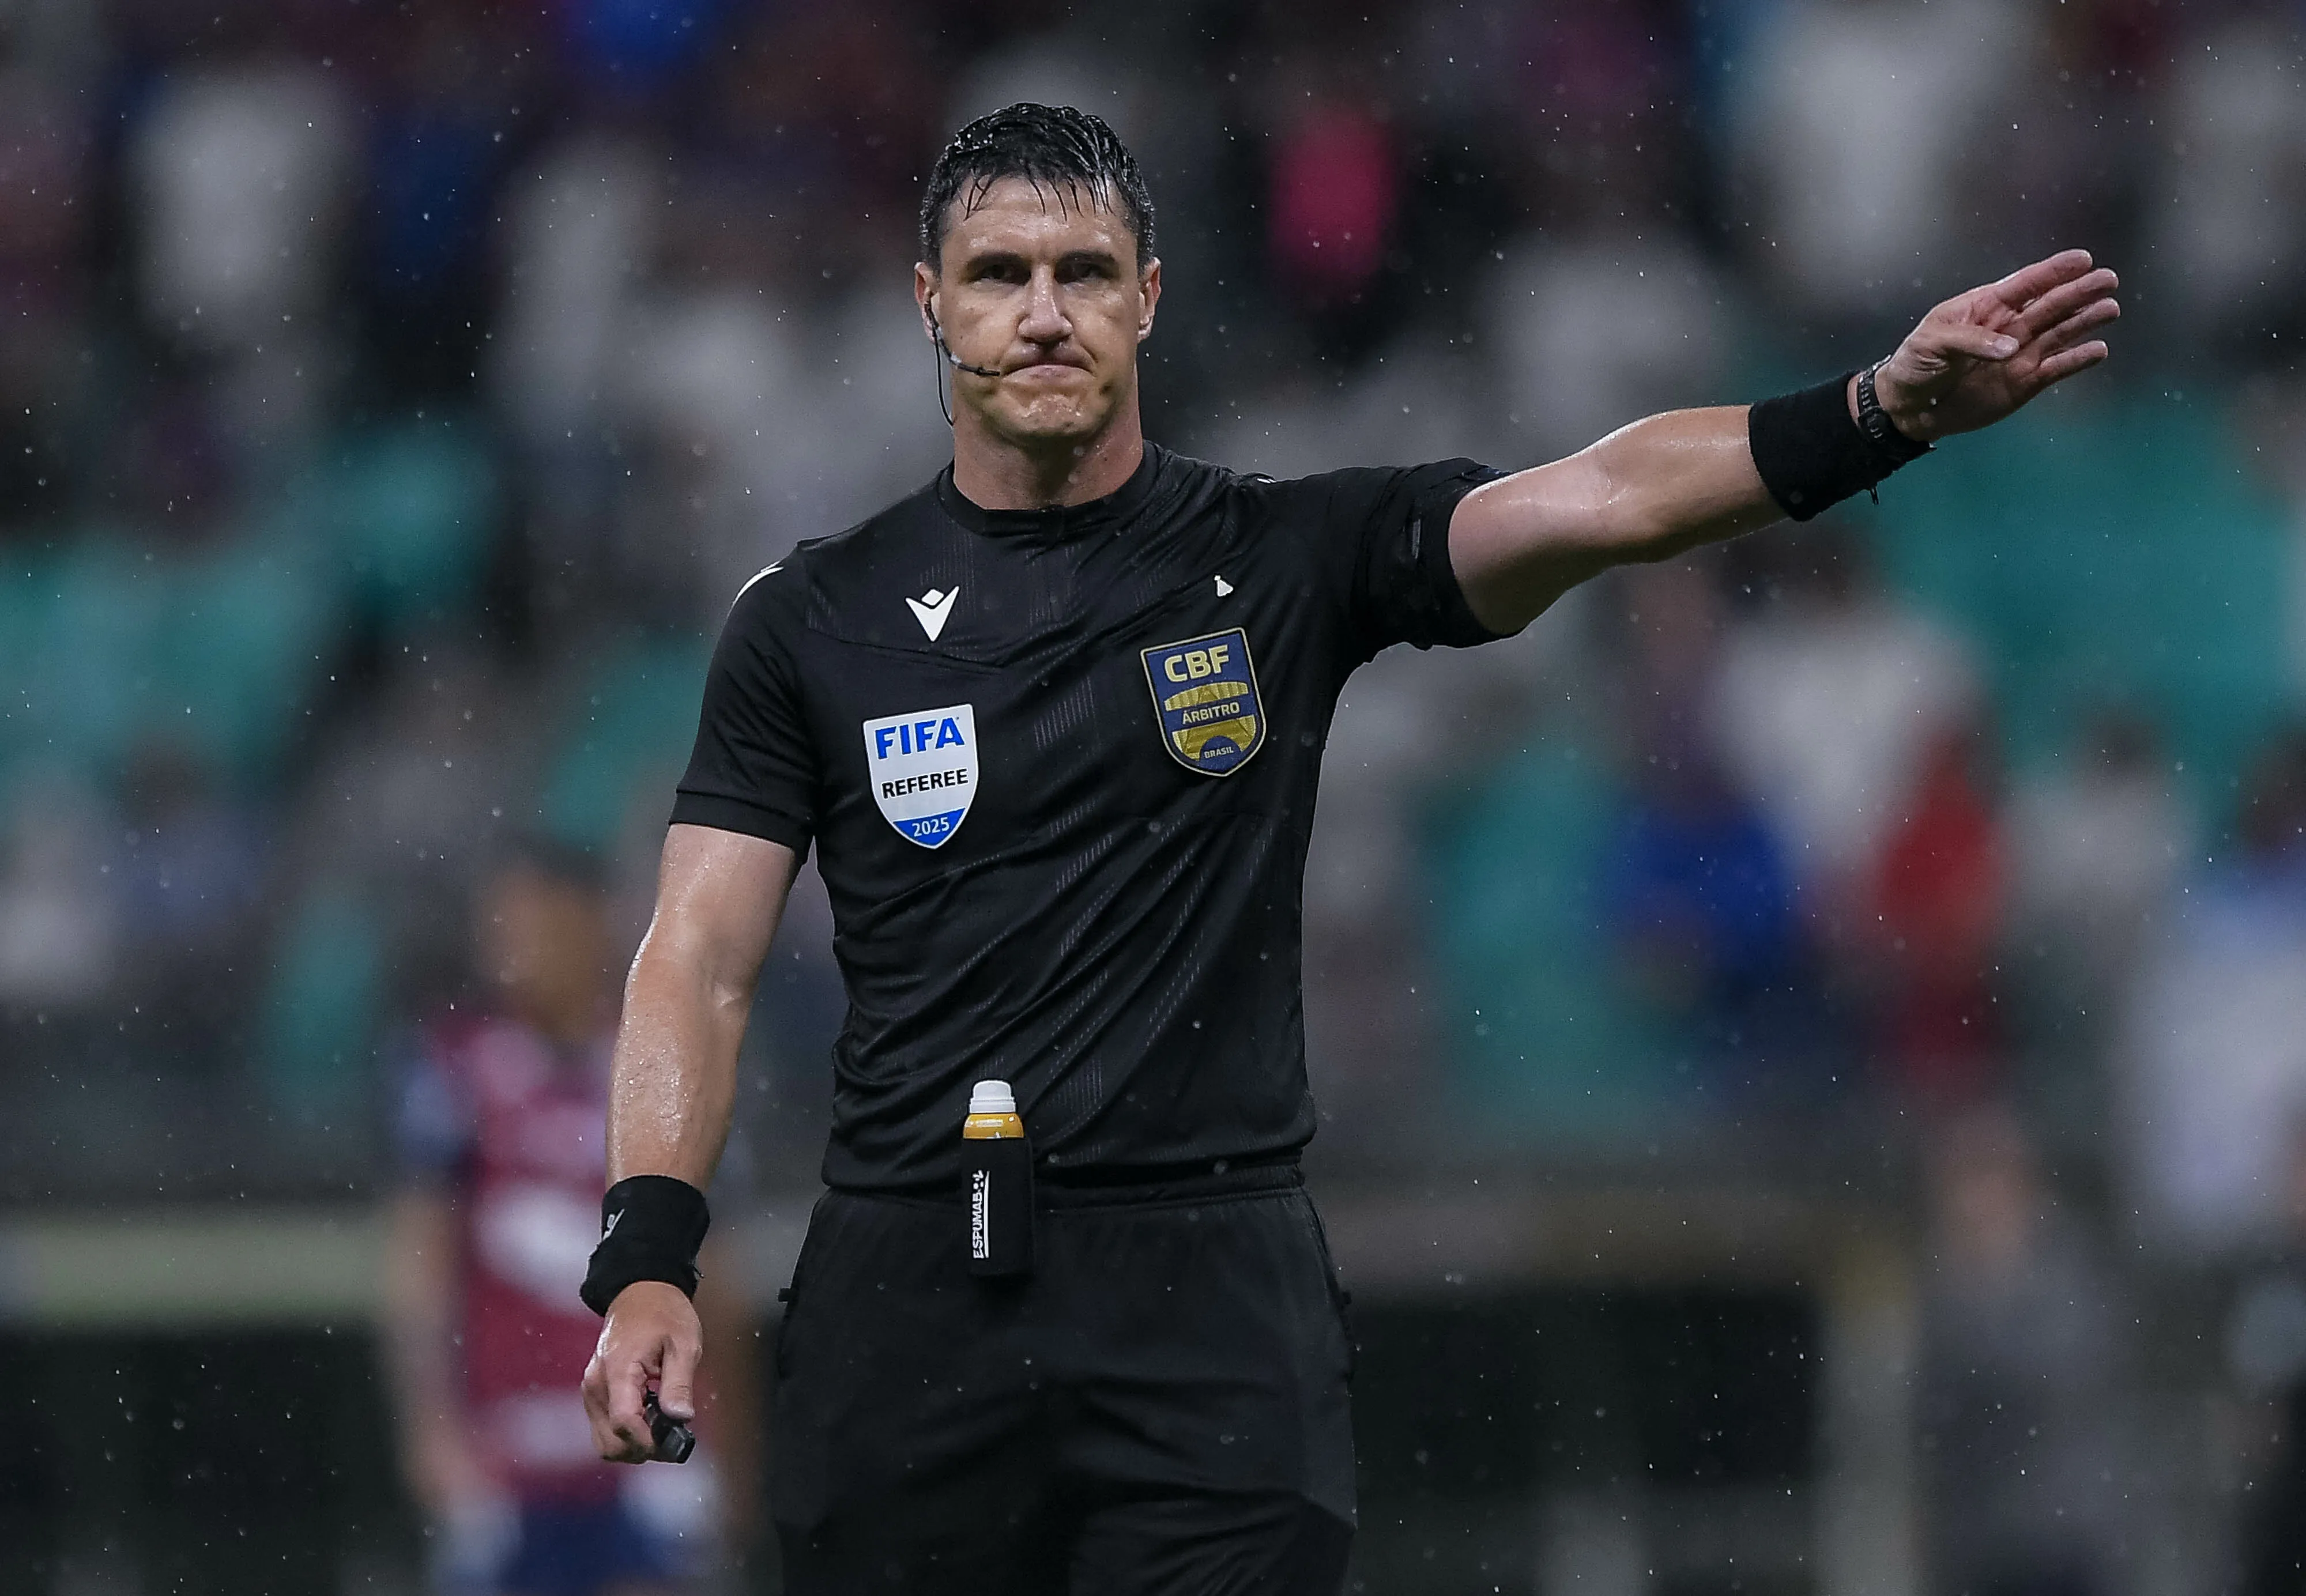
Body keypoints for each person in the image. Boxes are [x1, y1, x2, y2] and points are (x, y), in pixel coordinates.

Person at [577, 103, 2119, 1593]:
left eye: (1085, 272)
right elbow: (698, 957)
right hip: (912, 1295)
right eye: (998, 274)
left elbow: (1595, 498)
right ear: (929, 302)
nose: (1043, 313)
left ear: (1151, 298)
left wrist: (1873, 414)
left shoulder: (1281, 558)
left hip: (1214, 1303)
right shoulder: (811, 621)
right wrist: (649, 1252)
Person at [383, 841, 754, 1595]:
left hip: (649, 1449)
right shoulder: (457, 1066)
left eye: (536, 927)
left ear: (595, 927)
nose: (514, 952)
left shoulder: (663, 1062)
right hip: (507, 1455)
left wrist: (737, 1454)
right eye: (502, 930)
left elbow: (723, 1280)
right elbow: (420, 1265)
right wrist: (431, 1428)